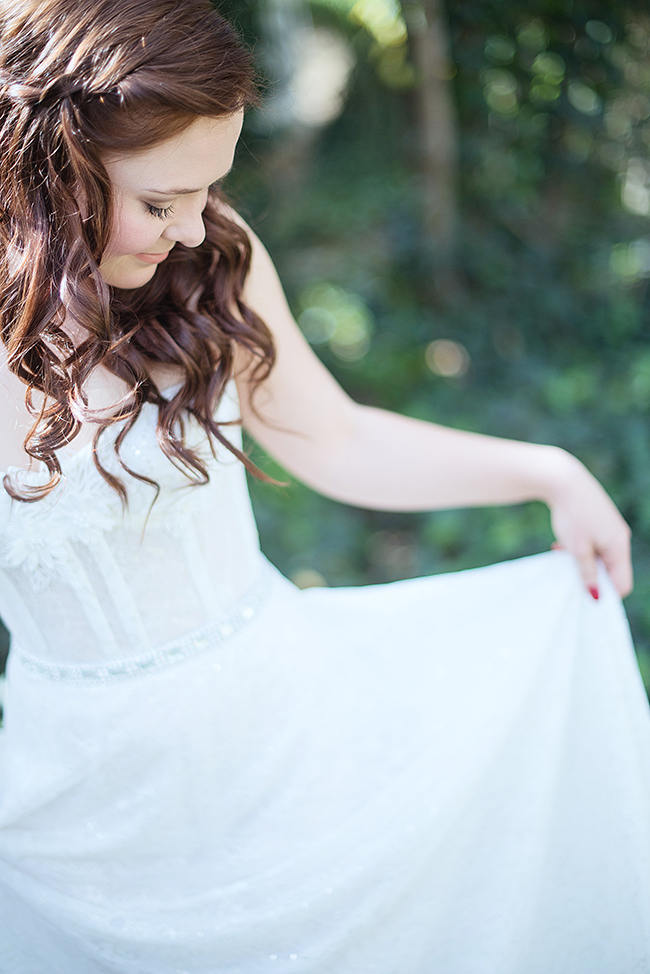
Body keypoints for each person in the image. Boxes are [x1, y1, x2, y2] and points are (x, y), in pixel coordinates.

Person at [0, 1, 648, 972]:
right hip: (76, 805)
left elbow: (333, 439)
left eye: (206, 192)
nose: (186, 232)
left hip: (282, 746)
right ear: (53, 166)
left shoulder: (210, 260)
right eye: (158, 200)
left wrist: (544, 471)